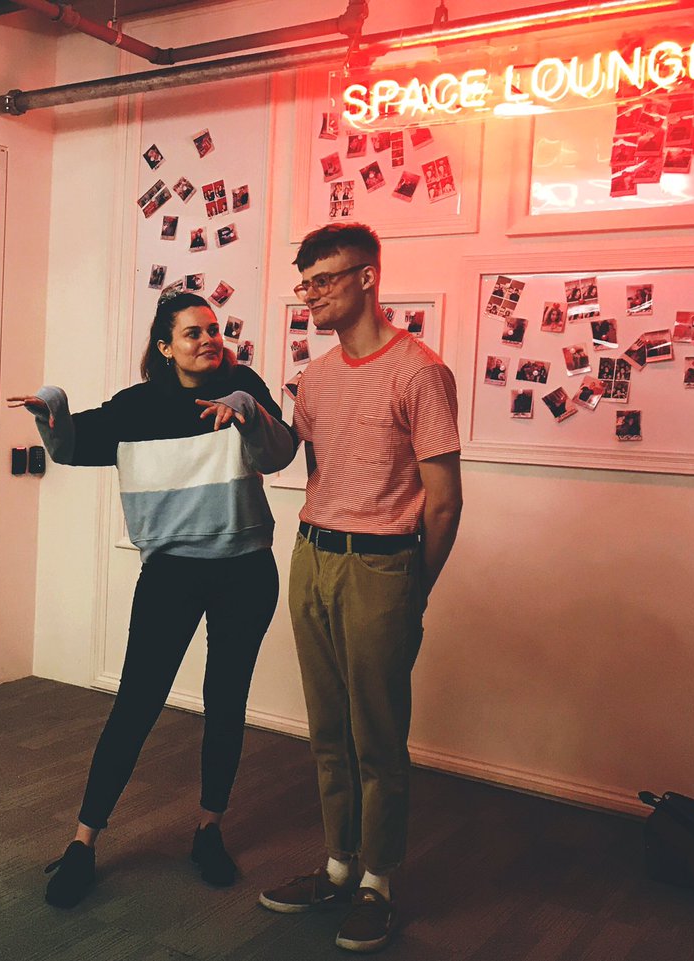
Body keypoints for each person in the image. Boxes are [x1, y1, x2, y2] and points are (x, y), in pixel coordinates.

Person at [8, 292, 296, 909]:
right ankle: (84, 842)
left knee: (226, 702)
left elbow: (281, 452)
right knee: (136, 705)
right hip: (172, 572)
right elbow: (69, 444)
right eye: (193, 333)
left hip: (246, 569)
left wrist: (245, 409)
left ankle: (208, 829)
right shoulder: (136, 408)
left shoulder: (243, 387)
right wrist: (51, 405)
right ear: (165, 347)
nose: (208, 340)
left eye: (214, 330)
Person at [257, 224, 462, 954]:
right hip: (312, 555)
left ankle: (378, 880)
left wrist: (413, 587)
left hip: (382, 565)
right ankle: (338, 865)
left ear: (367, 278)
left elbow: (444, 501)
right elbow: (301, 460)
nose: (309, 293)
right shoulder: (315, 375)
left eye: (323, 279)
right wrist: (251, 415)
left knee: (377, 736)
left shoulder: (419, 371)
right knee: (326, 729)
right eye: (304, 281)